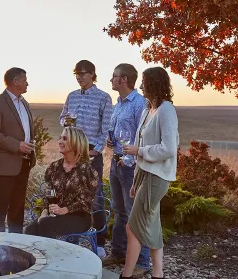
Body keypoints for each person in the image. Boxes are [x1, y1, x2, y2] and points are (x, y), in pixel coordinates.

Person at [120, 67, 179, 279]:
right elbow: (139, 143)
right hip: (143, 173)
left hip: (157, 176)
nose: (141, 86)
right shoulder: (147, 110)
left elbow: (169, 149)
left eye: (144, 82)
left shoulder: (166, 110)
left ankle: (126, 275)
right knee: (152, 226)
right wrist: (136, 179)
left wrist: (140, 151)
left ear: (154, 83)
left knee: (132, 227)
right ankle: (158, 274)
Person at [59, 60, 112, 258]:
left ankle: (99, 243)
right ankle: (71, 239)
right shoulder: (71, 96)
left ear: (92, 74)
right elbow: (62, 118)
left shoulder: (103, 98)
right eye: (77, 74)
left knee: (95, 200)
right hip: (71, 153)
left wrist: (96, 150)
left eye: (83, 73)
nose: (80, 77)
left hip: (91, 155)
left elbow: (106, 127)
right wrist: (67, 121)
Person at [102, 64, 150, 277]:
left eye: (114, 76)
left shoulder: (140, 104)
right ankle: (119, 253)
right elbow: (118, 132)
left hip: (131, 166)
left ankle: (142, 261)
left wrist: (130, 159)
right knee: (119, 210)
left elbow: (144, 136)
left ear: (124, 79)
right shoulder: (118, 103)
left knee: (134, 214)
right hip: (116, 161)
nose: (110, 80)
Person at [0, 67, 36, 233]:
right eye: (25, 80)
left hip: (24, 163)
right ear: (15, 81)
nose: (27, 83)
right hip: (4, 165)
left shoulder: (24, 103)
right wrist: (17, 145)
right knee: (0, 209)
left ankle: (17, 244)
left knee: (18, 208)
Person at [25, 127, 98, 238]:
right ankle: (34, 255)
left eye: (65, 139)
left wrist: (65, 210)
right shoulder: (54, 167)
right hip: (56, 215)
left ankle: (50, 255)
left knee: (46, 225)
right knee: (30, 229)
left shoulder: (87, 170)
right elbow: (49, 194)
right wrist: (45, 212)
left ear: (75, 143)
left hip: (80, 217)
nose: (60, 141)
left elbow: (86, 201)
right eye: (60, 138)